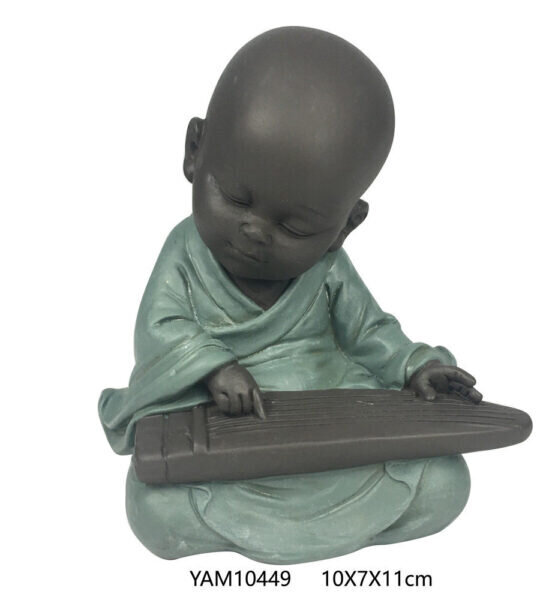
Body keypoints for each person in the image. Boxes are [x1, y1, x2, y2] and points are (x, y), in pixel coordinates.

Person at [99, 26, 480, 564]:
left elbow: (370, 333)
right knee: (154, 509)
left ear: (346, 226)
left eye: (295, 228)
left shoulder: (329, 269)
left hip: (333, 423)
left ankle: (334, 518)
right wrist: (214, 367)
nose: (255, 231)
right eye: (236, 198)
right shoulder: (185, 251)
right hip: (229, 426)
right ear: (194, 152)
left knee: (445, 482)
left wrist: (417, 365)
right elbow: (159, 330)